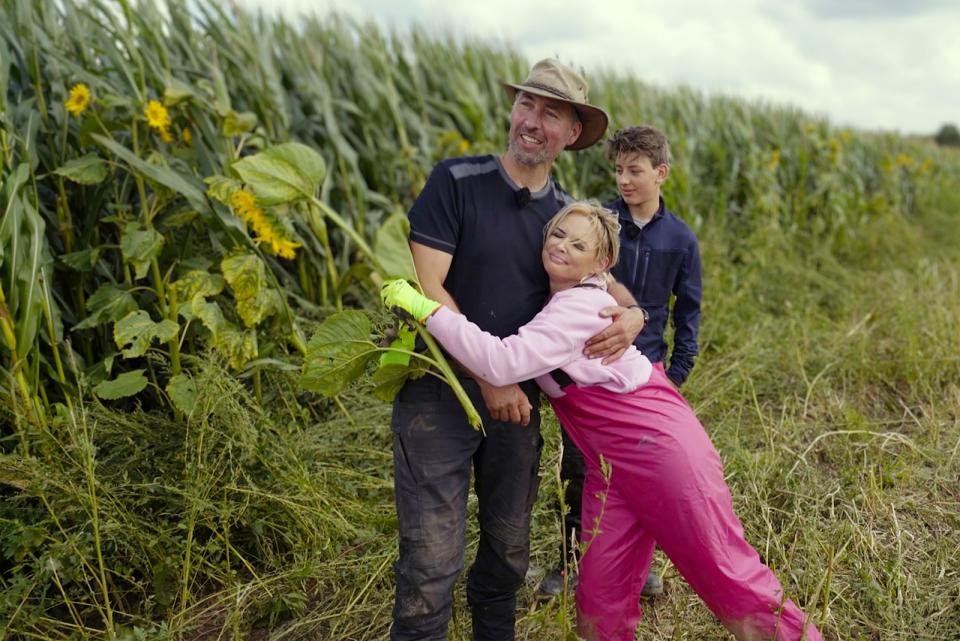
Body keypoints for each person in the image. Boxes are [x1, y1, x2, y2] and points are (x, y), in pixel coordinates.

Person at [381, 201, 824, 641]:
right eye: (557, 235)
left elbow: (501, 363)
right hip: (609, 466)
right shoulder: (559, 301)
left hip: (661, 452)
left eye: (579, 244)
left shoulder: (576, 309)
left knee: (726, 575)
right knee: (601, 591)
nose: (562, 247)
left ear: (600, 264)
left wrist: (424, 308)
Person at [391, 59, 647, 641]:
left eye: (551, 114)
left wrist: (635, 314)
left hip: (517, 409)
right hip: (440, 393)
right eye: (526, 105)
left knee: (507, 554)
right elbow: (428, 289)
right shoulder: (456, 181)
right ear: (513, 110)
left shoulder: (566, 216)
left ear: (572, 134)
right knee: (431, 564)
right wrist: (488, 377)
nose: (533, 122)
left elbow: (606, 283)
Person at [539, 125, 702, 598]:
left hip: (647, 373)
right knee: (580, 467)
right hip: (589, 369)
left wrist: (677, 373)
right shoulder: (601, 225)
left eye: (635, 170)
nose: (624, 180)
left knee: (644, 473)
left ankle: (638, 568)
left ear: (661, 173)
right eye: (618, 170)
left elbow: (687, 311)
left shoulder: (681, 239)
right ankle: (572, 562)